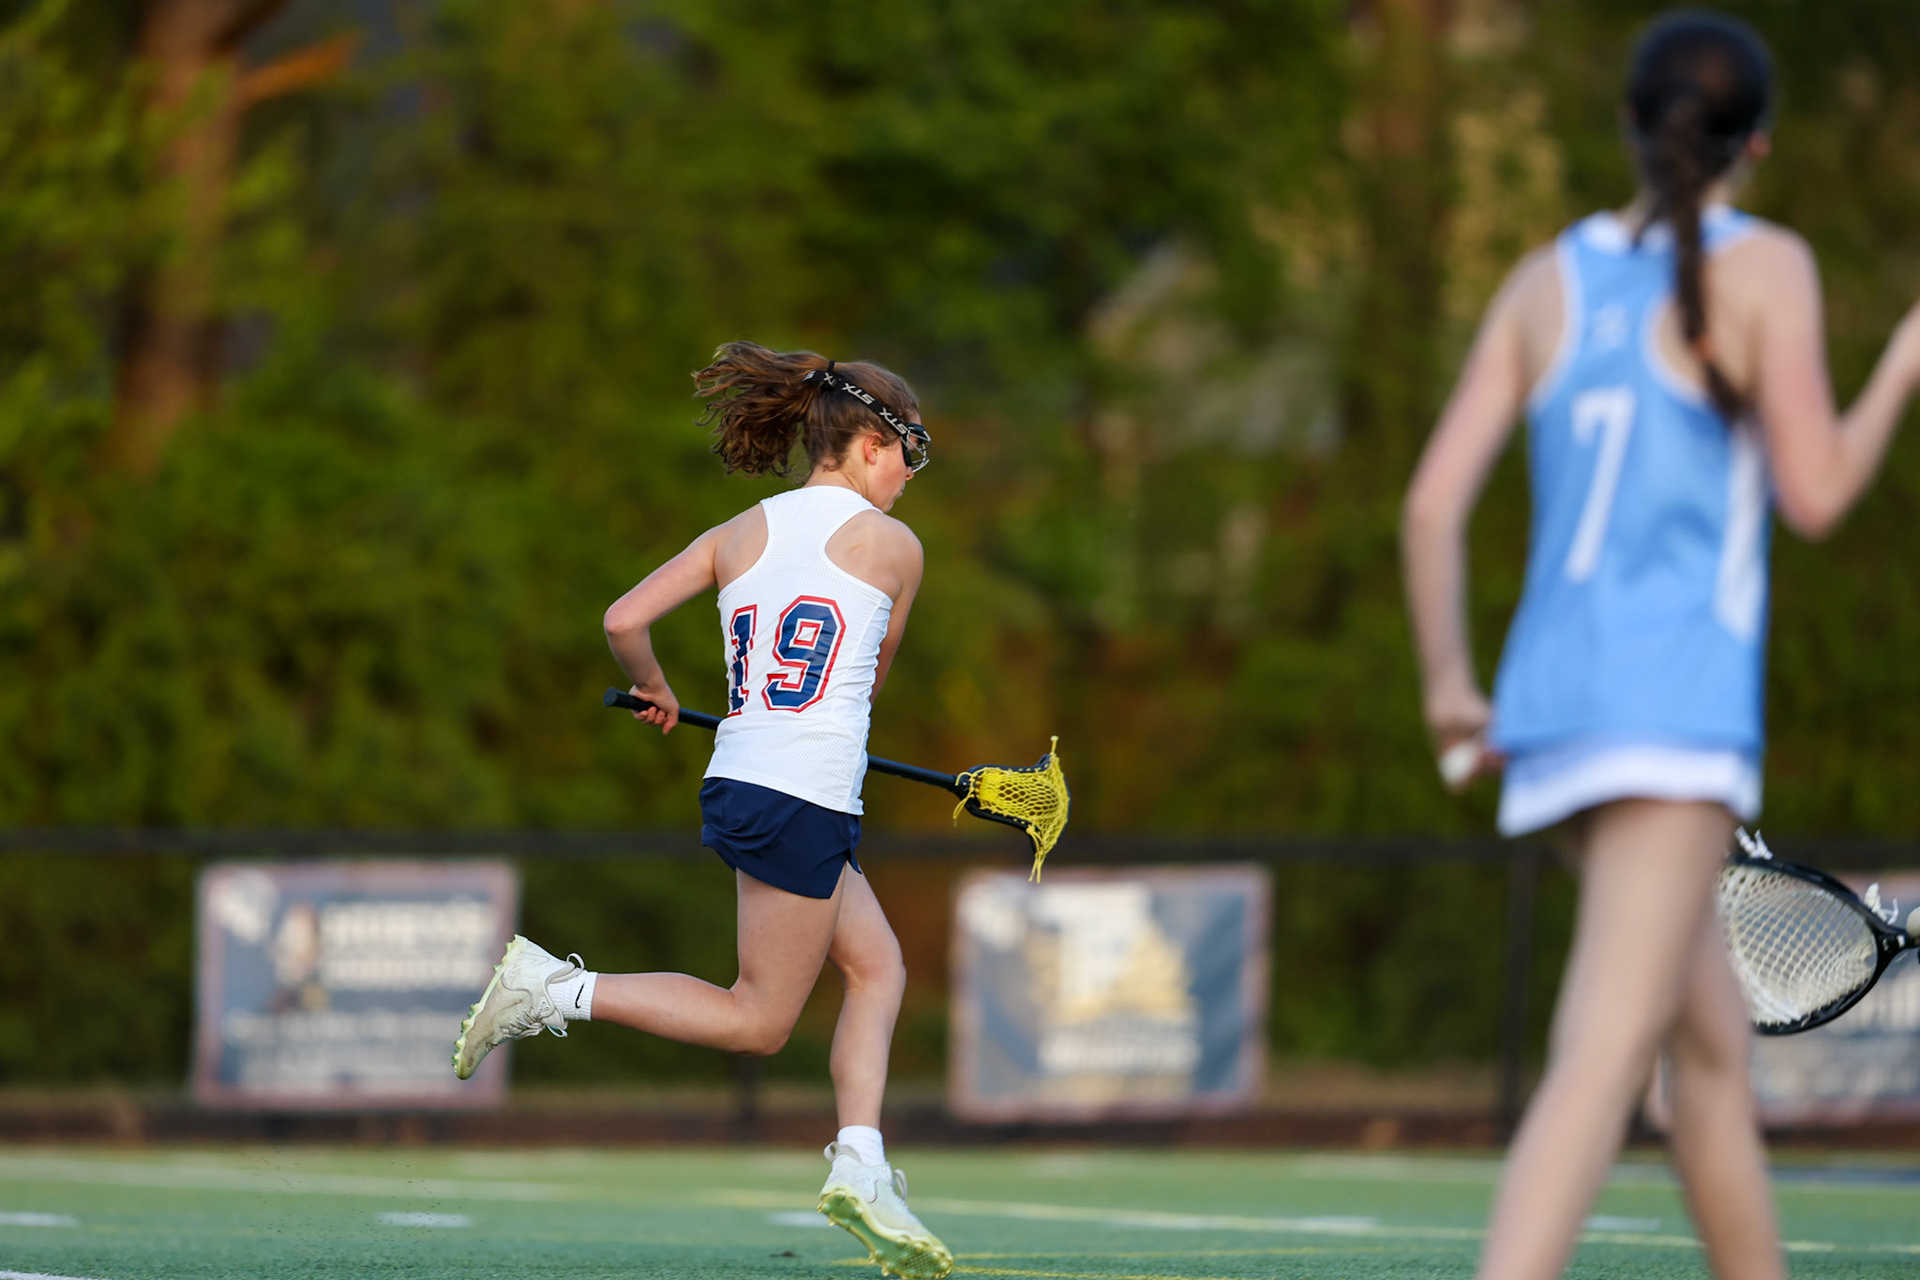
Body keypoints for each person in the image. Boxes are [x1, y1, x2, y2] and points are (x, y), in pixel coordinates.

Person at [1402, 10, 1920, 1279]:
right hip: (1670, 719)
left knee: (1705, 1068)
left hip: (1553, 712)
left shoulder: (1544, 279)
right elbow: (1816, 492)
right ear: (1760, 144)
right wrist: (1903, 363)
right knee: (1602, 1058)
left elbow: (1429, 505)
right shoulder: (1768, 267)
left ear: (1630, 129)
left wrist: (1451, 686)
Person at [452, 341, 951, 1280]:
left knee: (877, 966)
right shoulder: (897, 550)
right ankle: (552, 991)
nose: (909, 479)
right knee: (757, 1020)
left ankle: (864, 1162)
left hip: (749, 777)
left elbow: (622, 621)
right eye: (909, 455)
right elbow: (866, 685)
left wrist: (661, 692)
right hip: (802, 793)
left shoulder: (740, 530)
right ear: (874, 442)